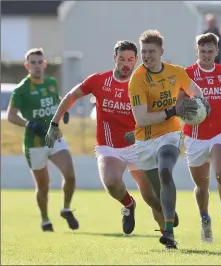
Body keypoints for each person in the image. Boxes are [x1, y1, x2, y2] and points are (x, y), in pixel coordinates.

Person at [46, 40, 177, 235]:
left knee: (152, 198)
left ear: (136, 61)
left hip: (139, 145)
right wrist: (54, 123)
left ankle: (167, 236)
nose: (126, 64)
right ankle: (128, 204)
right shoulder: (99, 81)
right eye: (122, 59)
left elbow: (156, 117)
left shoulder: (144, 84)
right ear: (114, 58)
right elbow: (71, 96)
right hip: (110, 147)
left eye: (131, 60)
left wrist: (139, 133)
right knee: (111, 182)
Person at [126, 29, 210, 249]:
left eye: (151, 51)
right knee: (153, 198)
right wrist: (173, 110)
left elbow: (196, 91)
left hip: (170, 134)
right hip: (144, 140)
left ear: (161, 52)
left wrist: (201, 105)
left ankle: (169, 233)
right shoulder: (137, 80)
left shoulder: (176, 72)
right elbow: (142, 119)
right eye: (143, 52)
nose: (146, 56)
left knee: (165, 170)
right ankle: (169, 214)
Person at [179, 33, 221, 243]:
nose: (206, 55)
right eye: (203, 52)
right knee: (201, 186)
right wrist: (187, 111)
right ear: (197, 52)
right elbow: (179, 103)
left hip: (219, 133)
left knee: (220, 174)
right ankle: (205, 220)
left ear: (217, 52)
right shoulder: (187, 74)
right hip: (194, 137)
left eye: (210, 51)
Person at [7, 48, 77, 232]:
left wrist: (65, 110)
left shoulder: (52, 83)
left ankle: (66, 208)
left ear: (44, 64)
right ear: (27, 66)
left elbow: (57, 100)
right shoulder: (21, 89)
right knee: (43, 186)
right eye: (33, 63)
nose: (37, 66)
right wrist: (30, 125)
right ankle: (45, 219)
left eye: (40, 62)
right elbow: (11, 116)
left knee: (69, 174)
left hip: (53, 136)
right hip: (34, 143)